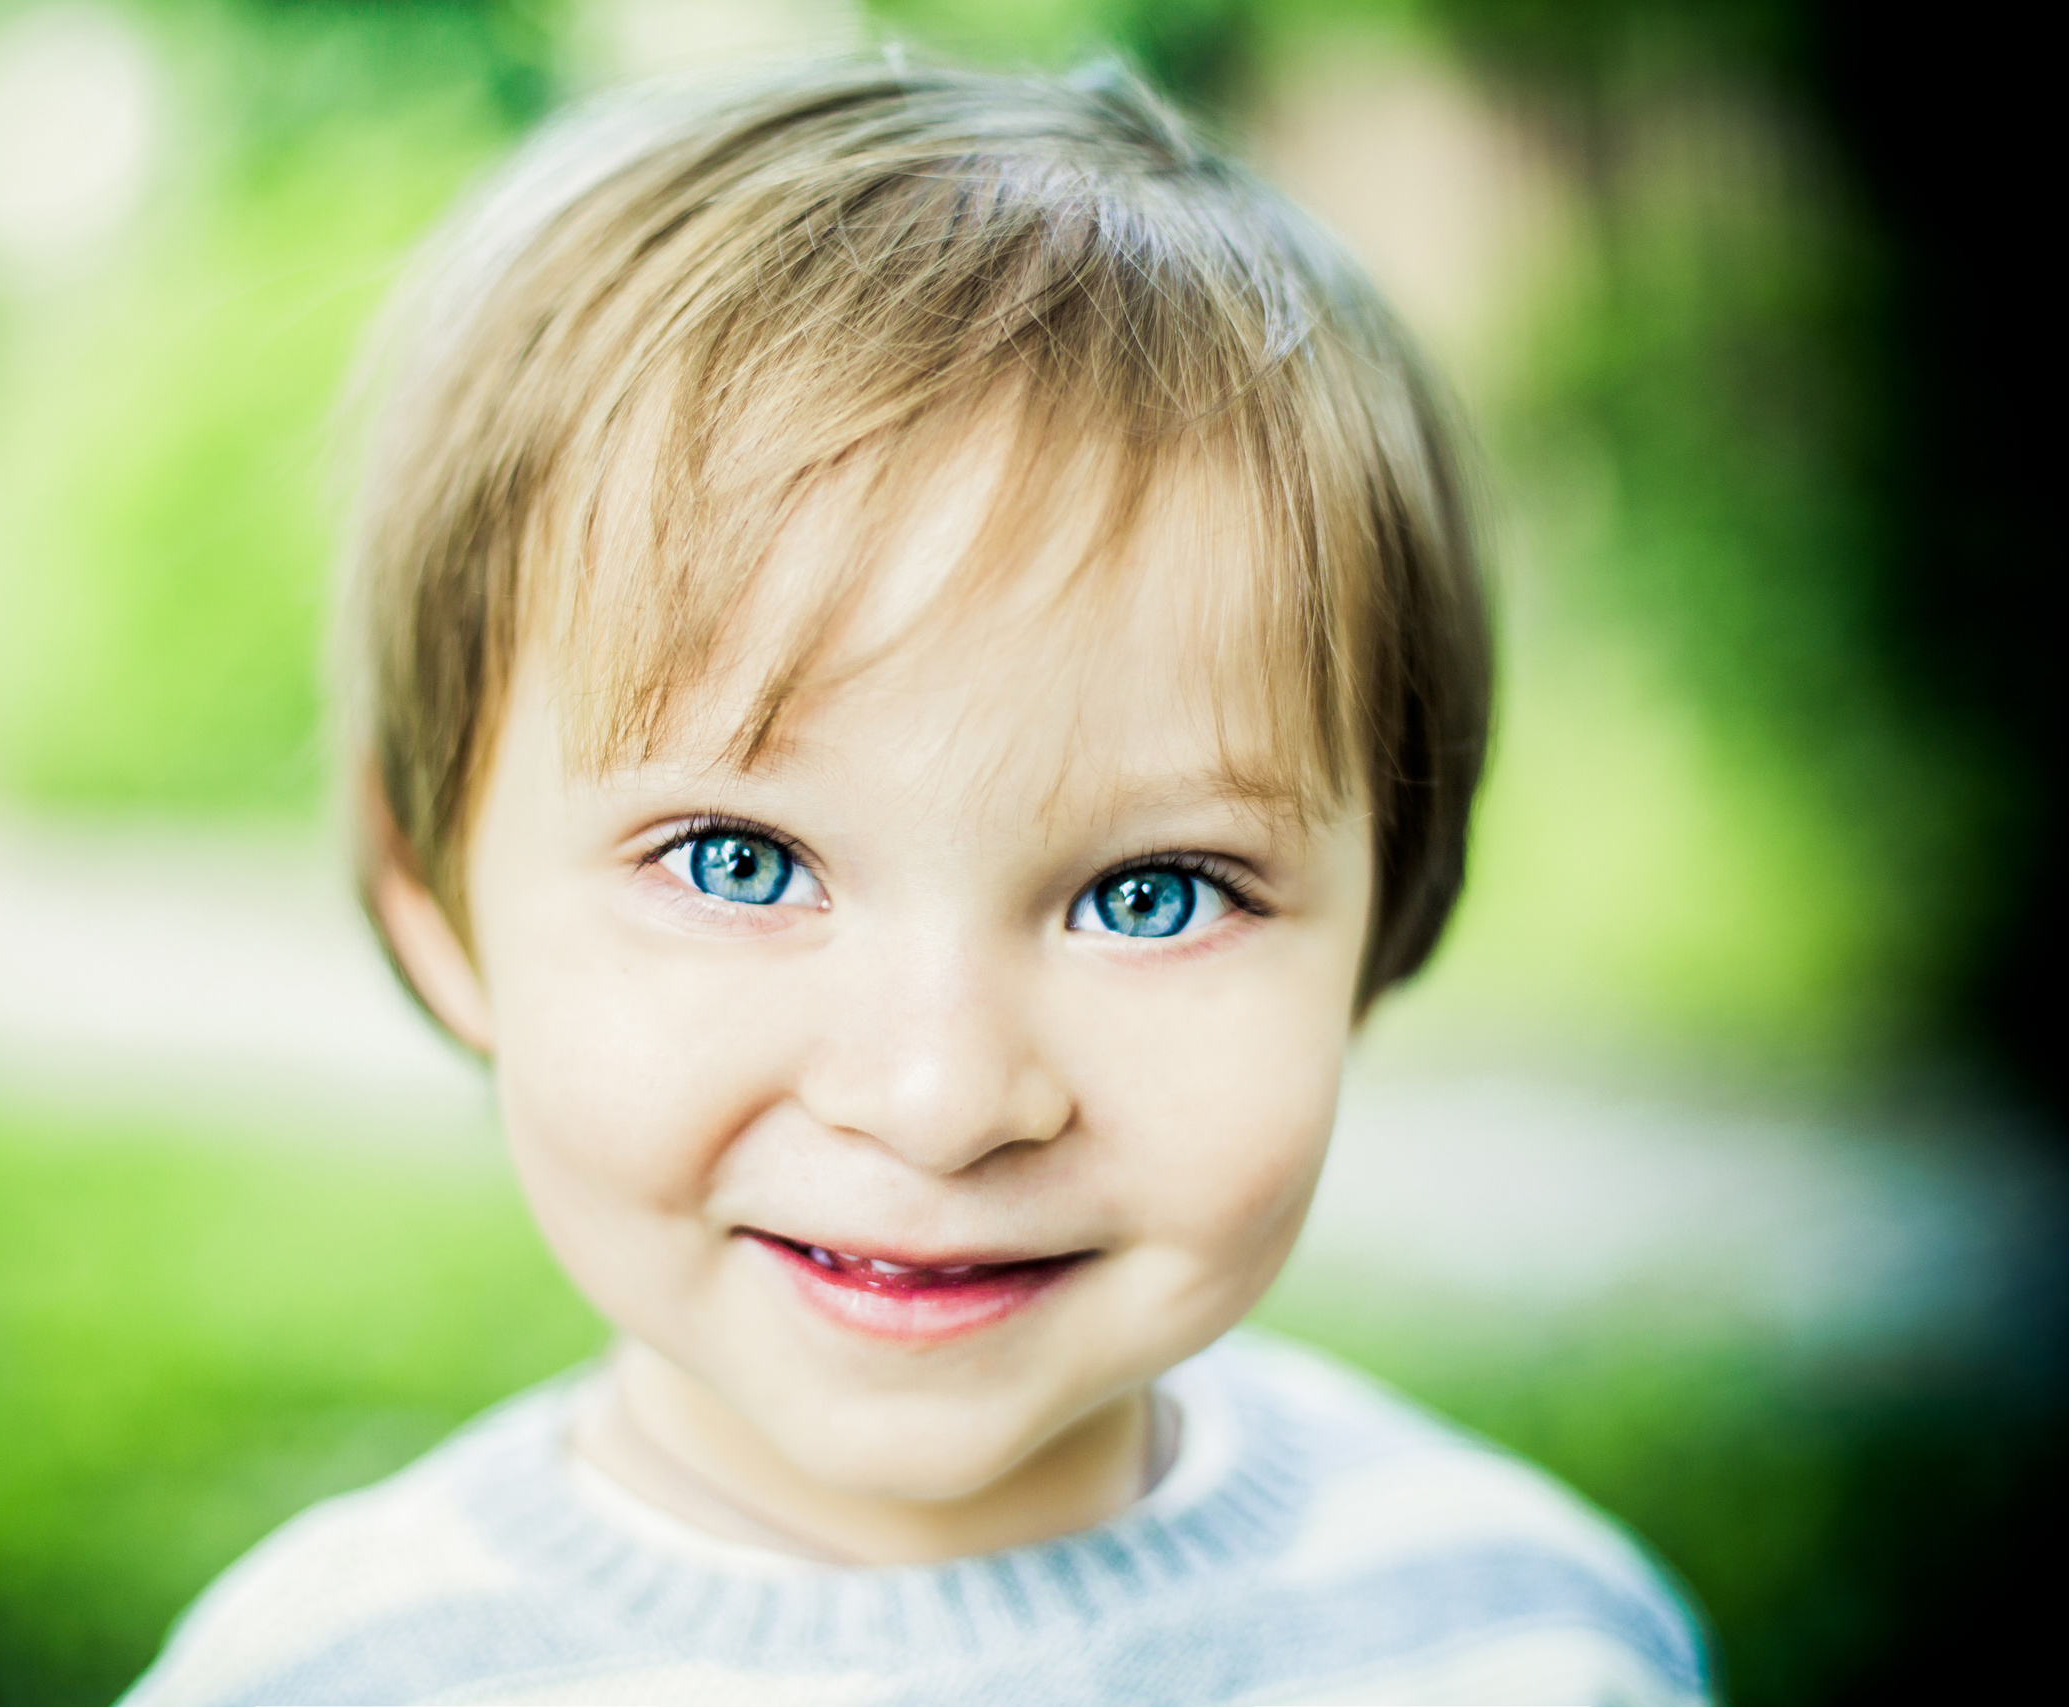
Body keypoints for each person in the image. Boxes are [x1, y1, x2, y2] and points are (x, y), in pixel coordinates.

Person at [123, 55, 1710, 1706]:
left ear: (1390, 924)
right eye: (739, 864)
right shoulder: (327, 1676)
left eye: (1153, 893)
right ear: (434, 902)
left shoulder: (1531, 1633)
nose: (942, 1097)